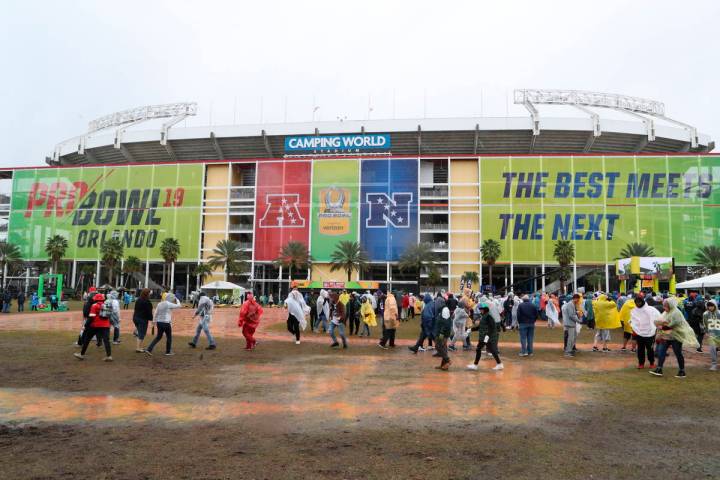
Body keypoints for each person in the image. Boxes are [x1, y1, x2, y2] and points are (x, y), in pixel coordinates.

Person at [651, 297, 698, 378]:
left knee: (678, 353)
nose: (664, 307)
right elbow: (661, 320)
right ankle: (659, 369)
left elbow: (674, 325)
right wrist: (659, 325)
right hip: (666, 336)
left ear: (671, 305)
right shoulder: (666, 312)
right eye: (664, 305)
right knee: (661, 352)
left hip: (676, 336)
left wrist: (662, 327)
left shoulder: (676, 313)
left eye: (666, 306)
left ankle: (682, 371)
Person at [74, 293, 113, 362]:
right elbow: (109, 316)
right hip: (106, 325)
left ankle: (81, 354)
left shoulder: (94, 306)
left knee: (87, 339)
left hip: (95, 325)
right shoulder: (107, 305)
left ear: (95, 299)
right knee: (106, 340)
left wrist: (85, 325)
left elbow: (91, 317)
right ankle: (109, 356)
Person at [467, 303, 503, 371]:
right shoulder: (484, 316)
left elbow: (492, 327)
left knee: (480, 349)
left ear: (485, 309)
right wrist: (471, 329)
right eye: (480, 309)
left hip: (486, 337)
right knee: (490, 350)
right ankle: (499, 364)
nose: (480, 311)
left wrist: (488, 335)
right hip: (484, 336)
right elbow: (481, 327)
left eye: (481, 309)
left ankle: (475, 365)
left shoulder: (488, 316)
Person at [630, 294, 659, 369]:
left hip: (650, 333)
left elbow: (657, 317)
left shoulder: (650, 309)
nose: (638, 304)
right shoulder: (634, 311)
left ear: (642, 302)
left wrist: (655, 327)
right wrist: (634, 328)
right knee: (640, 349)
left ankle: (651, 363)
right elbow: (633, 320)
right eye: (636, 302)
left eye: (639, 302)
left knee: (650, 349)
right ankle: (641, 363)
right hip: (639, 333)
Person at [562, 293, 583, 358]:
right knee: (570, 339)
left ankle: (569, 350)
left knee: (572, 338)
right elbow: (571, 315)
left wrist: (576, 313)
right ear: (575, 298)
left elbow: (572, 314)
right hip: (570, 324)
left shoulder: (572, 304)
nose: (578, 301)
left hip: (571, 323)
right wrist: (579, 321)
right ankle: (568, 352)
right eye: (578, 299)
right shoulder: (570, 304)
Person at [132, 288, 153, 352]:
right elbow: (149, 311)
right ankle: (138, 348)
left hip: (136, 317)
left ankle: (140, 347)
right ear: (147, 294)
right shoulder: (147, 301)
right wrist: (151, 318)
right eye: (149, 293)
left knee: (140, 332)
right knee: (142, 334)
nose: (150, 294)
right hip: (142, 319)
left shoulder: (138, 299)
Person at [702, 300, 720, 371]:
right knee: (712, 349)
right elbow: (705, 324)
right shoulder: (705, 314)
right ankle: (714, 364)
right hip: (711, 334)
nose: (710, 307)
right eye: (709, 306)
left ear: (715, 305)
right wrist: (706, 332)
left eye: (712, 306)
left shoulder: (719, 313)